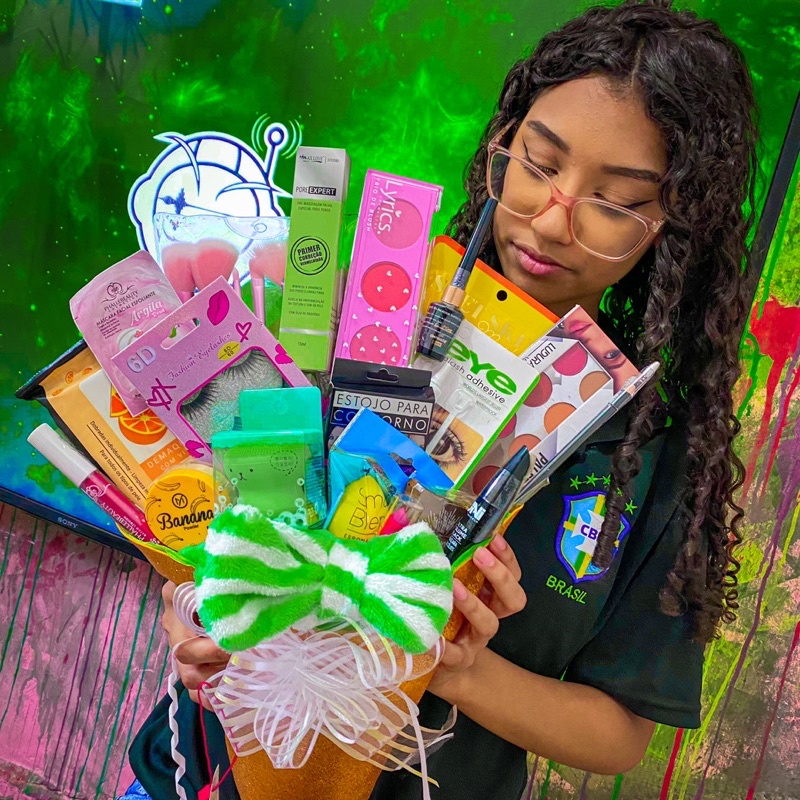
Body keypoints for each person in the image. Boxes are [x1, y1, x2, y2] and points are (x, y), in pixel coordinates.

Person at [127, 1, 758, 798]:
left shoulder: (652, 451)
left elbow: (620, 734)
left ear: (673, 224)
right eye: (539, 162)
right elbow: (215, 512)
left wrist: (453, 664)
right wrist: (199, 605)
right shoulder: (360, 312)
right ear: (505, 142)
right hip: (200, 772)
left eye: (612, 201)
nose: (550, 220)